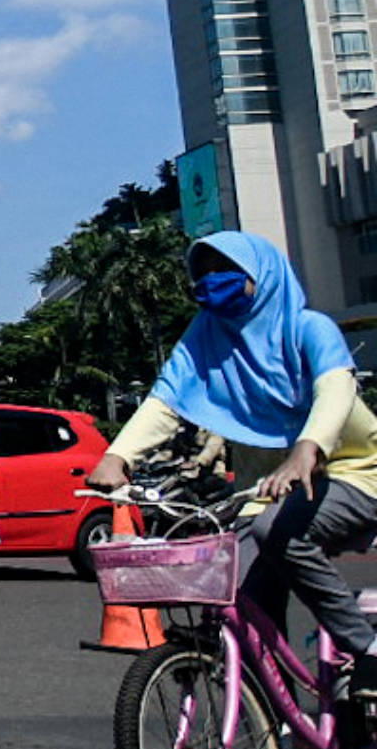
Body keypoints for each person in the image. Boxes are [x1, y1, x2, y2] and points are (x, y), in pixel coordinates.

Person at [82, 230, 377, 702]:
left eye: (227, 271)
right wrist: (118, 456)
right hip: (270, 487)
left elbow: (336, 388)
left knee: (277, 534)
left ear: (263, 276)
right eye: (203, 272)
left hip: (353, 471)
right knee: (235, 594)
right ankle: (282, 732)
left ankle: (368, 649)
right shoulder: (207, 334)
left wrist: (309, 447)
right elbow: (167, 400)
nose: (211, 281)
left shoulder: (307, 327)